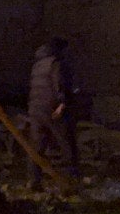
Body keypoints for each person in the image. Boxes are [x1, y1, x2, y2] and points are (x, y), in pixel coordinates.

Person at [27, 36, 80, 188]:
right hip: (52, 108)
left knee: (37, 147)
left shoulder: (37, 65)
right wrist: (62, 104)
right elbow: (59, 84)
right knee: (67, 142)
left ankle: (33, 180)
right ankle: (71, 179)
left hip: (35, 109)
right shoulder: (55, 63)